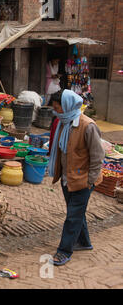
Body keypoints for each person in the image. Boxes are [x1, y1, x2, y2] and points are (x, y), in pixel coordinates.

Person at [48, 89, 105, 266]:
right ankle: (84, 242)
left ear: (67, 106)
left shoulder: (88, 126)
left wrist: (89, 181)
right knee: (76, 213)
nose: (55, 111)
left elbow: (98, 157)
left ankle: (64, 251)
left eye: (58, 108)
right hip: (68, 178)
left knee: (73, 216)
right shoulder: (63, 123)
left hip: (84, 179)